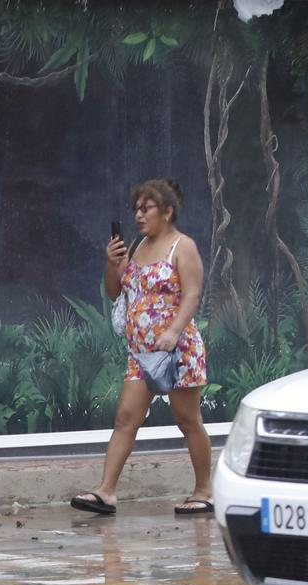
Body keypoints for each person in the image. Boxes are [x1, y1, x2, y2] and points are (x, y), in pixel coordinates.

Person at [72, 178, 213, 518]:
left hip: (176, 351)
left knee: (187, 419)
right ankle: (106, 492)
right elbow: (114, 291)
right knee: (125, 417)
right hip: (140, 353)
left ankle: (205, 490)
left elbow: (193, 294)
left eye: (146, 208)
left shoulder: (182, 247)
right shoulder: (135, 246)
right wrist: (111, 263)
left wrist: (174, 332)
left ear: (167, 211)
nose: (138, 214)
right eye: (136, 208)